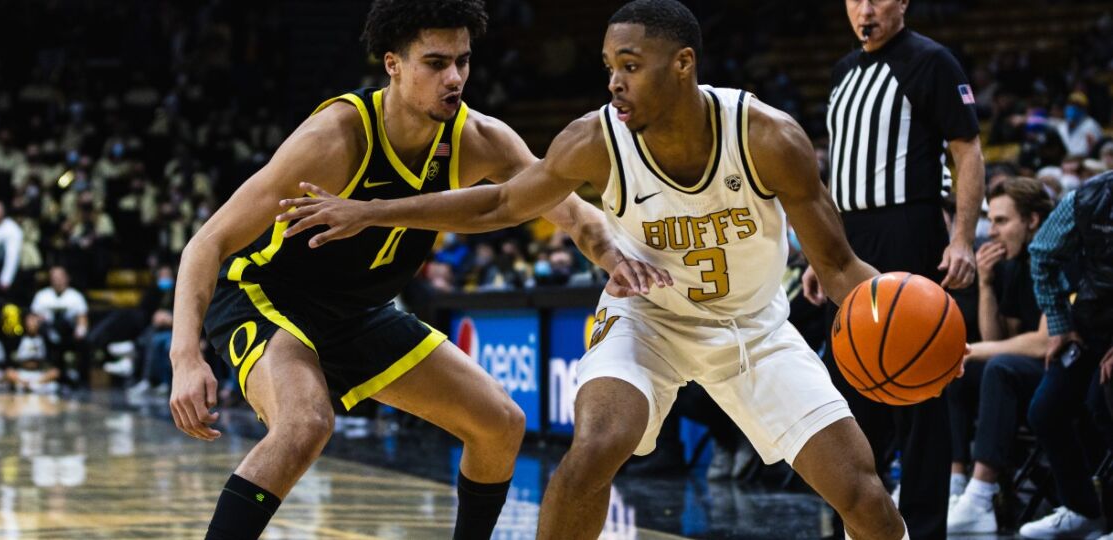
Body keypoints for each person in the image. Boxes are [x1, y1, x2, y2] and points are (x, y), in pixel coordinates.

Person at [277, 2, 914, 538]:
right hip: (647, 318)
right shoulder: (594, 139)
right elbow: (501, 202)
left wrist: (912, 318)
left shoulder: (767, 137)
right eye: (610, 66)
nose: (614, 82)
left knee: (862, 495)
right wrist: (377, 211)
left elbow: (838, 268)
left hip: (754, 327)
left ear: (683, 65)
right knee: (593, 450)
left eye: (631, 67)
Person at [168, 2, 665, 539]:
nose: (454, 78)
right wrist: (185, 357)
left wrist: (614, 254)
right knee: (305, 423)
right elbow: (207, 242)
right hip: (266, 298)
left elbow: (570, 211)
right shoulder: (336, 137)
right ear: (393, 64)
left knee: (500, 424)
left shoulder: (480, 139)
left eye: (462, 61)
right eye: (435, 63)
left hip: (358, 313)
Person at [801, 1, 985, 537]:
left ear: (902, 1)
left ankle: (925, 529)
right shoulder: (840, 71)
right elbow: (835, 171)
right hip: (850, 235)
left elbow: (967, 149)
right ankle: (859, 524)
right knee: (849, 389)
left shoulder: (932, 61)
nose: (866, 8)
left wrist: (963, 239)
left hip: (911, 228)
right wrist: (823, 251)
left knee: (921, 392)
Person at [944, 177, 1053, 533]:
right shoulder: (1013, 264)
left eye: (1001, 221)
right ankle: (956, 481)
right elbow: (999, 337)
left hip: (1068, 371)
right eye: (990, 221)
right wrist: (987, 283)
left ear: (1032, 221)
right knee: (957, 373)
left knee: (998, 367)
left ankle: (981, 494)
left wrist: (974, 350)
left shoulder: (1054, 257)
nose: (991, 231)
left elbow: (1041, 342)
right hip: (1028, 370)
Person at [1021, 170, 1113, 539]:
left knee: (1103, 403)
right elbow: (1041, 253)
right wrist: (1060, 324)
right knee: (1045, 410)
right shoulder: (1089, 195)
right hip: (1092, 325)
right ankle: (1082, 510)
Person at [30, 265, 90, 388]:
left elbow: (82, 319)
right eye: (54, 277)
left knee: (85, 342)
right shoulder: (42, 296)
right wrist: (35, 327)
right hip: (46, 335)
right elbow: (33, 318)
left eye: (60, 277)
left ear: (67, 278)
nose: (57, 280)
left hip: (69, 335)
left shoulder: (75, 296)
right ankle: (47, 375)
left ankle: (79, 379)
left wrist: (80, 332)